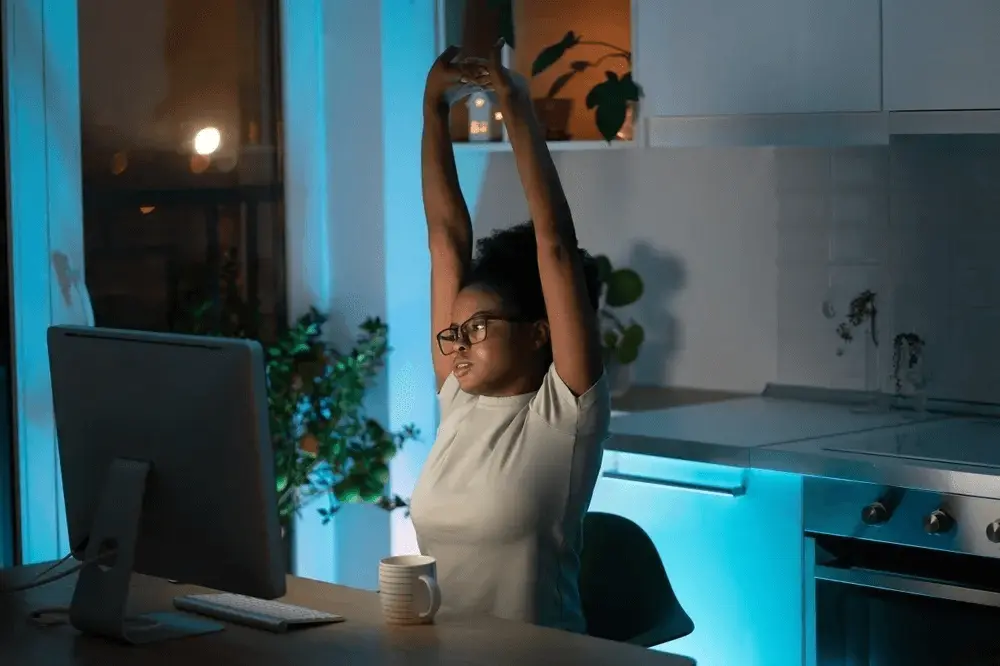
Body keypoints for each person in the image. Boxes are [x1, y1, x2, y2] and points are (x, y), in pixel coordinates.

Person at [408, 41, 610, 634]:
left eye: (478, 328)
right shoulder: (458, 396)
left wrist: (515, 107)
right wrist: (431, 108)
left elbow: (554, 243)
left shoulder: (565, 415)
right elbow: (445, 239)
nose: (458, 343)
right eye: (456, 330)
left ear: (539, 334)